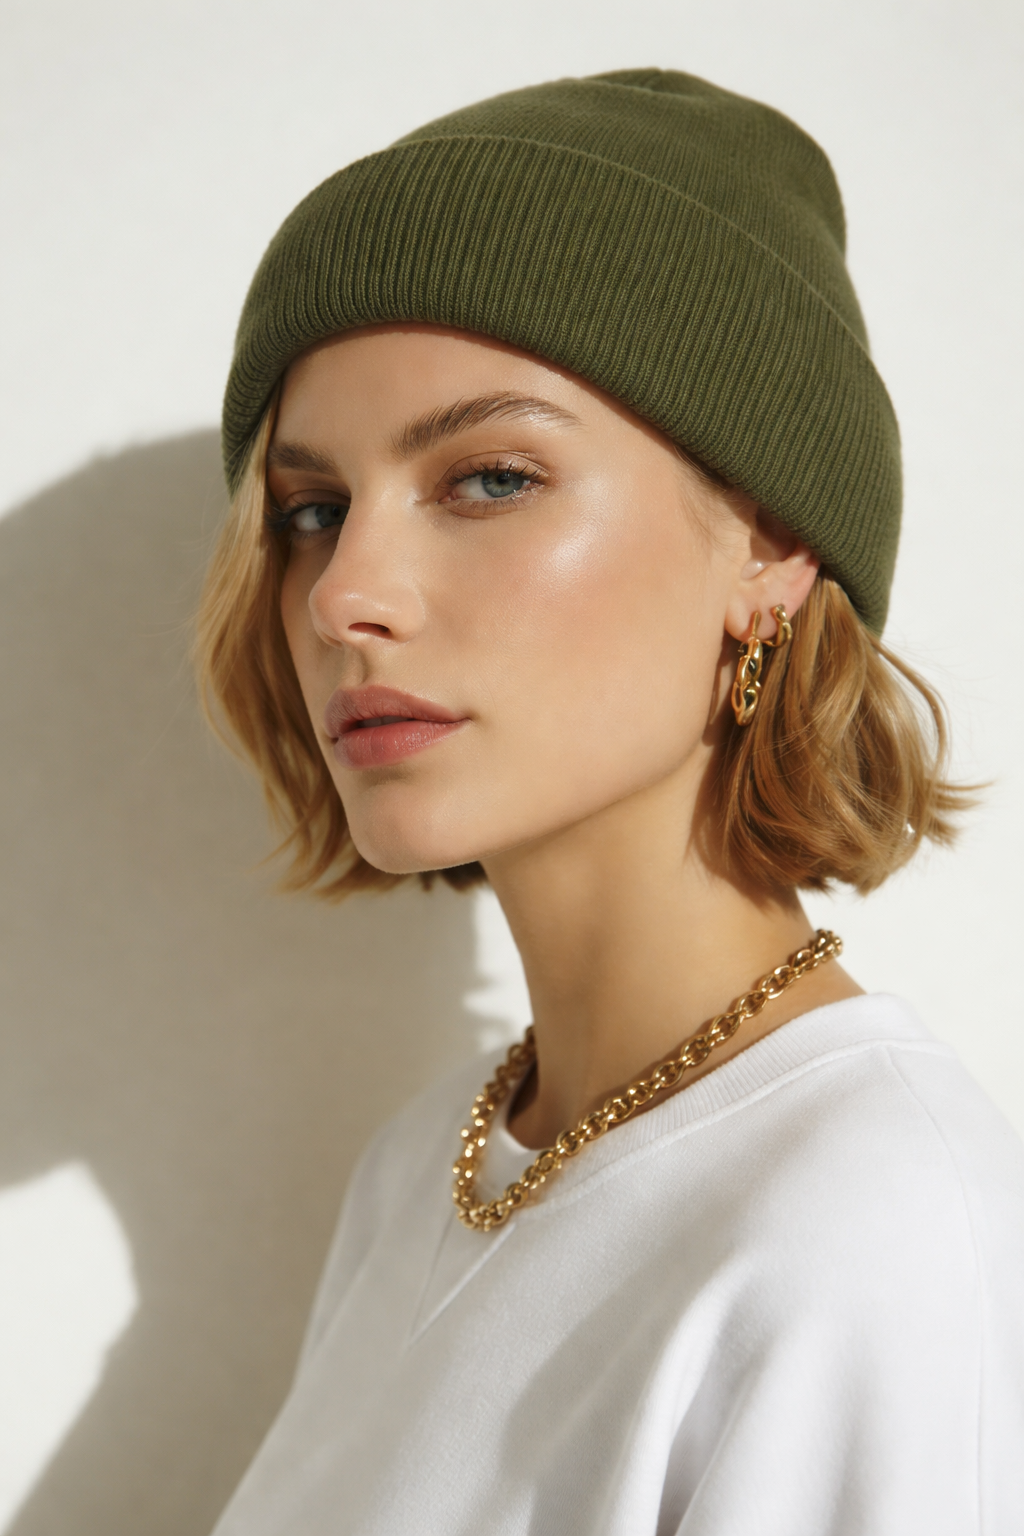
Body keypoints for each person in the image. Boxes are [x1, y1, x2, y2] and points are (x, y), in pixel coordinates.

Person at [196, 69, 1024, 1534]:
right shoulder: (428, 1168)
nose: (342, 595)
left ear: (770, 543)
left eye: (489, 480)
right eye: (312, 510)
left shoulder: (876, 1221)